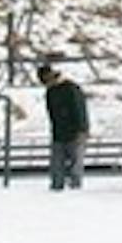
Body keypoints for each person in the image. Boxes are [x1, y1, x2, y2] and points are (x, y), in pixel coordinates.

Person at [38, 62, 90, 192]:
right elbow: (52, 114)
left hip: (75, 132)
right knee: (57, 165)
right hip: (59, 133)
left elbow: (79, 110)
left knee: (75, 164)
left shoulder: (71, 89)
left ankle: (74, 189)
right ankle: (57, 187)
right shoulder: (50, 92)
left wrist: (82, 129)